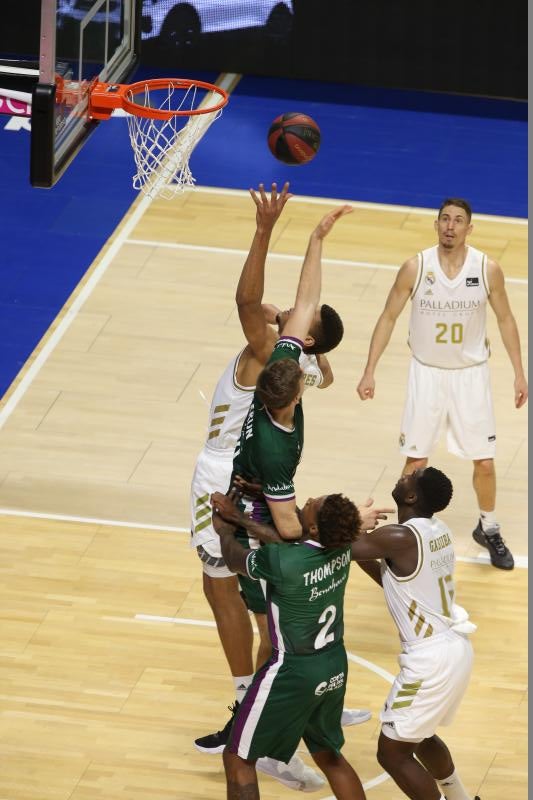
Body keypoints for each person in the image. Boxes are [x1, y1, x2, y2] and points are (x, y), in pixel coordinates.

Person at [191, 185, 372, 787]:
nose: (287, 315)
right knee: (254, 600)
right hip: (237, 481)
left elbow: (249, 299)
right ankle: (270, 703)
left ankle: (269, 711)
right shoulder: (295, 365)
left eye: (298, 321)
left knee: (247, 592)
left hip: (233, 481)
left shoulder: (270, 356)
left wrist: (267, 229)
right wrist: (317, 239)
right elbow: (297, 301)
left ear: (304, 339)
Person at [356, 198, 528, 570]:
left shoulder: (487, 269)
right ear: (436, 225)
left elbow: (507, 320)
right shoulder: (416, 268)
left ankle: (489, 527)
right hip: (427, 374)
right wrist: (370, 369)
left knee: (484, 462)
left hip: (471, 376)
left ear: (470, 228)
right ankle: (404, 534)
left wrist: (519, 371)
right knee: (416, 460)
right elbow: (388, 318)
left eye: (458, 221)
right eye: (445, 219)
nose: (451, 226)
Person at [210, 489, 368, 800]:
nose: (307, 501)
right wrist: (242, 517)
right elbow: (292, 546)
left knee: (237, 757)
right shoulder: (342, 549)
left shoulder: (282, 561)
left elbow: (235, 559)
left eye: (311, 504)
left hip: (292, 670)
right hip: (333, 664)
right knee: (329, 756)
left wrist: (226, 531)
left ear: (313, 528)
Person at [350, 467, 481, 800]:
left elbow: (342, 544)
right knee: (419, 735)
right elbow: (392, 580)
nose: (404, 475)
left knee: (392, 753)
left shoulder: (400, 537)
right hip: (454, 649)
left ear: (411, 497)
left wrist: (351, 519)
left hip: (430, 659)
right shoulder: (437, 530)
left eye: (411, 478)